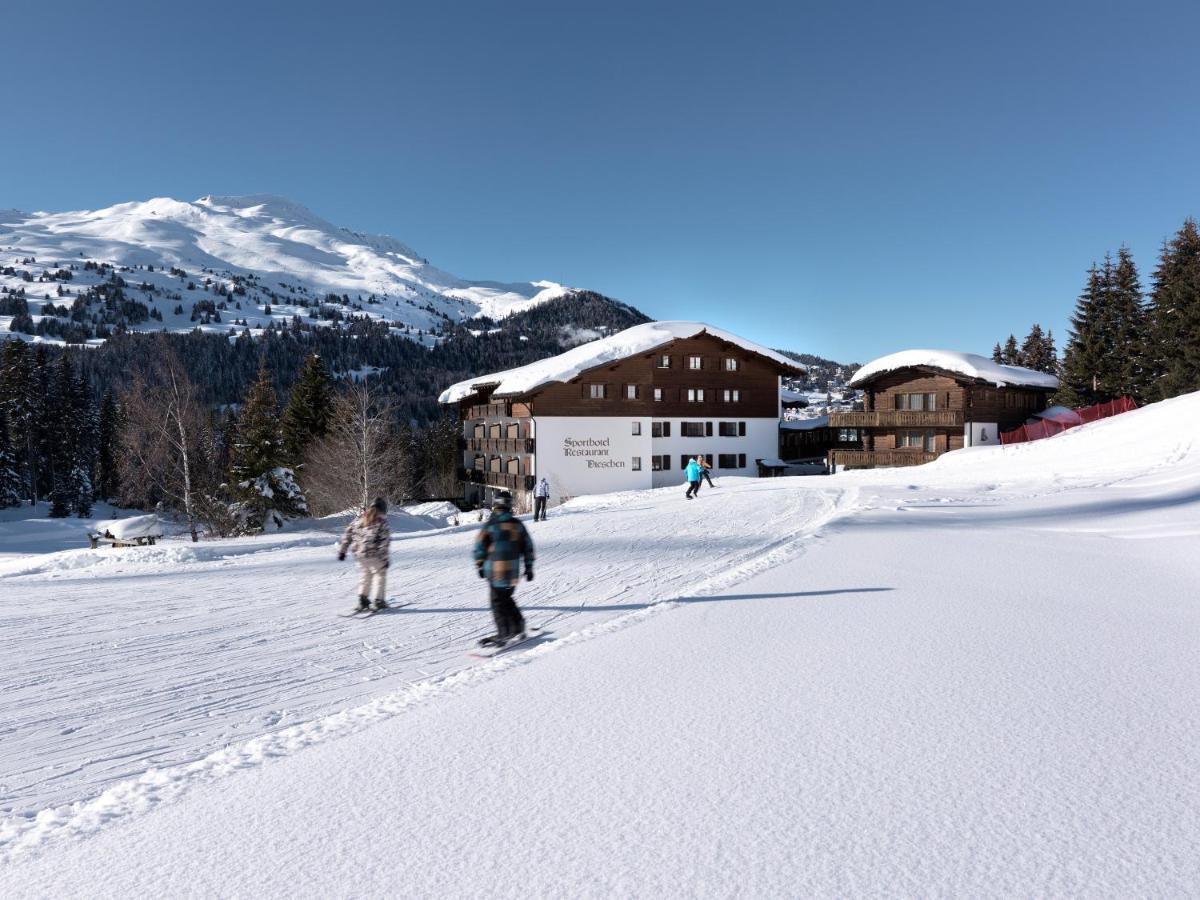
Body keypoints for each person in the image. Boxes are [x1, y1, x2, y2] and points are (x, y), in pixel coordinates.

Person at [473, 491, 534, 646]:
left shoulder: (491, 525)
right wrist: (529, 567)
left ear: (496, 504)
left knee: (497, 603)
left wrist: (479, 564)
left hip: (495, 571)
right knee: (506, 598)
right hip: (512, 572)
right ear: (509, 505)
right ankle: (518, 626)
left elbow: (480, 546)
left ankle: (504, 632)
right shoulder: (518, 525)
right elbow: (528, 547)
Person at [337, 497, 391, 611]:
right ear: (383, 510)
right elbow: (384, 542)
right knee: (380, 575)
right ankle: (379, 600)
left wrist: (342, 551)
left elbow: (347, 534)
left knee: (365, 576)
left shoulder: (359, 519)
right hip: (375, 555)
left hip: (360, 555)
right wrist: (385, 559)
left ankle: (363, 600)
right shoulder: (381, 522)